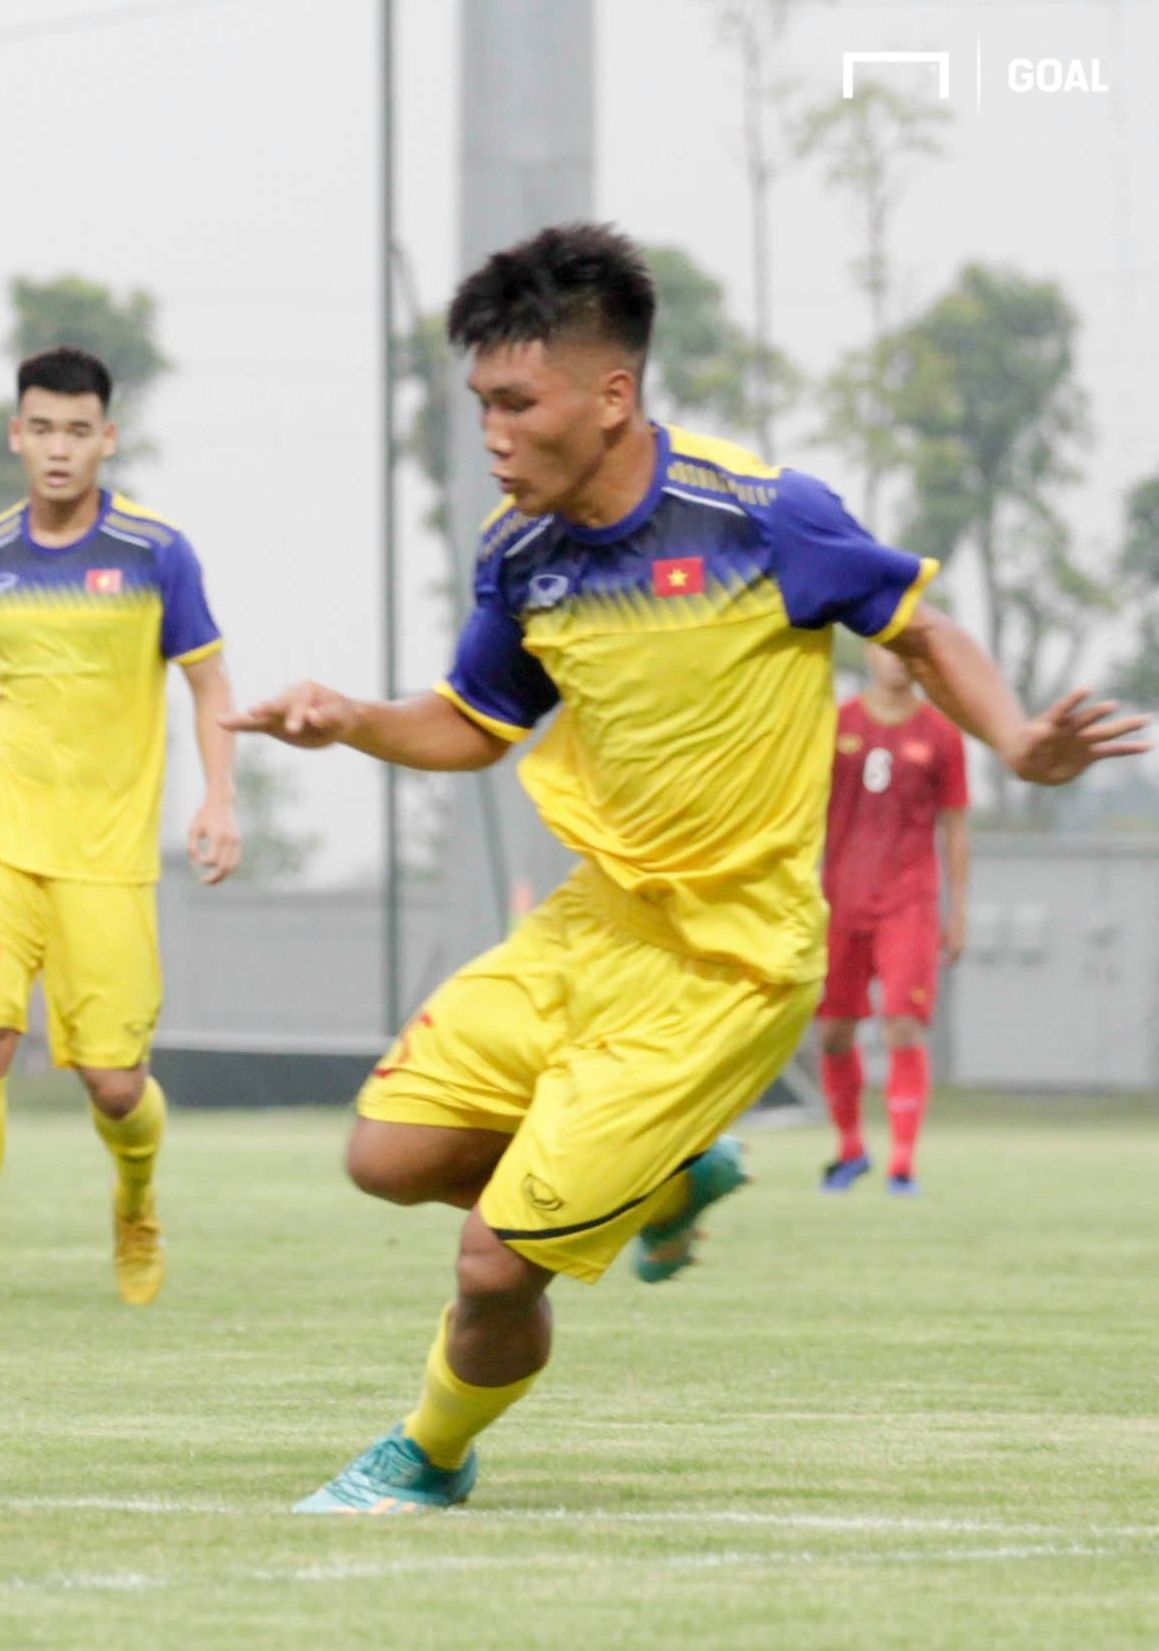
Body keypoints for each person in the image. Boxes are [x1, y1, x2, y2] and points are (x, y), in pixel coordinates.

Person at [228, 223, 1143, 1513]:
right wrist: (351, 718)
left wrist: (1017, 741)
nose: (491, 432)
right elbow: (472, 726)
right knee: (383, 1157)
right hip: (589, 931)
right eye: (478, 403)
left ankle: (428, 1455)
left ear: (611, 396)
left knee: (495, 1267)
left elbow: (920, 629)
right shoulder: (521, 553)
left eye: (514, 402)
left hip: (731, 966)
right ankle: (657, 1178)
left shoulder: (764, 517)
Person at [0, 346, 240, 1314]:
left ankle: (136, 1205)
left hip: (106, 858)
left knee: (113, 1083)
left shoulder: (155, 554)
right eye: (41, 429)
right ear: (15, 434)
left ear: (106, 439)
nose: (58, 449)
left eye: (78, 430)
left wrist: (219, 798)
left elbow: (207, 682)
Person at [818, 645, 970, 1194]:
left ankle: (903, 1160)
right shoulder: (837, 724)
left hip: (909, 901)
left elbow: (955, 827)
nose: (901, 659)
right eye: (890, 647)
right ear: (868, 652)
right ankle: (850, 1149)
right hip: (839, 900)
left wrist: (959, 911)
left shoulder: (940, 734)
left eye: (911, 648)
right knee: (833, 1031)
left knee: (902, 1022)